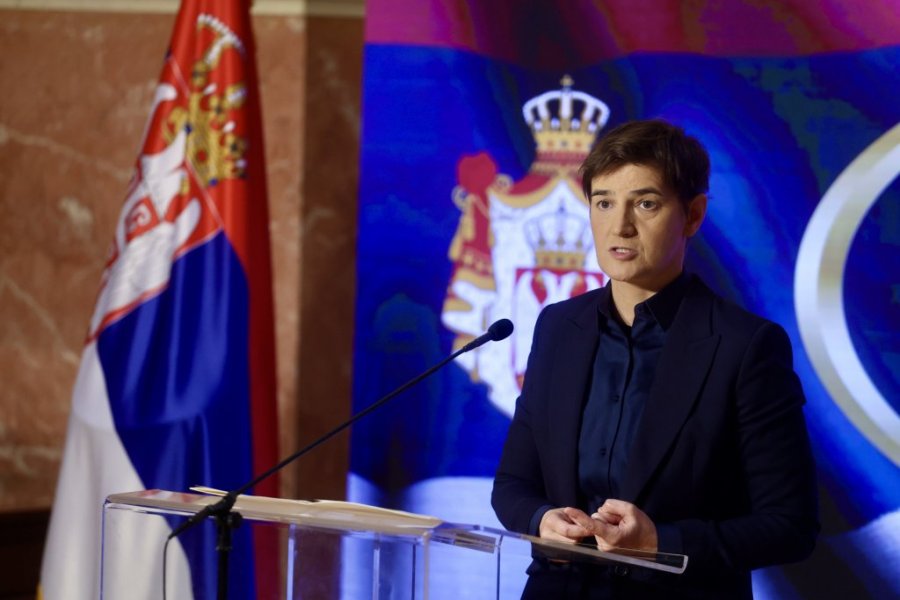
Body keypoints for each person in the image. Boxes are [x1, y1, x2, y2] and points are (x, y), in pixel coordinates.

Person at [491, 119, 818, 599]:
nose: (619, 226)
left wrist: (660, 543)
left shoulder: (745, 346)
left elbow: (790, 525)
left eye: (645, 203)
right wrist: (542, 520)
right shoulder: (559, 328)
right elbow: (513, 483)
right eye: (604, 203)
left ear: (693, 215)